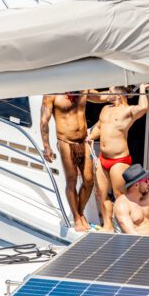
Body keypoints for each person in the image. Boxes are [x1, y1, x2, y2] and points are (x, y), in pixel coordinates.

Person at [39, 90, 106, 232]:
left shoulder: (83, 90)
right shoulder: (52, 94)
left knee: (89, 180)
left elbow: (102, 97)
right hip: (65, 142)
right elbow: (44, 120)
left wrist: (121, 92)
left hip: (83, 139)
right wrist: (46, 146)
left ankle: (80, 212)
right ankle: (76, 217)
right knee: (72, 180)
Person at [88, 85, 149, 231]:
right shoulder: (105, 109)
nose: (106, 94)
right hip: (103, 158)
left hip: (119, 160)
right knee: (100, 194)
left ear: (119, 94)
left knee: (120, 196)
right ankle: (108, 225)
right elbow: (99, 126)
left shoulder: (127, 111)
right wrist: (90, 136)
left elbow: (143, 107)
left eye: (110, 91)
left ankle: (127, 228)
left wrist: (142, 88)